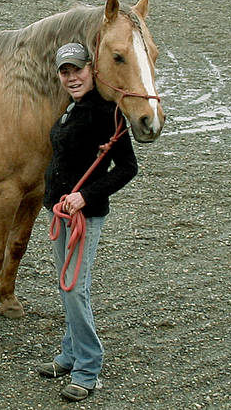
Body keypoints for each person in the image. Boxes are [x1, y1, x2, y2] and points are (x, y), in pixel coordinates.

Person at [33, 41, 139, 402]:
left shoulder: (107, 114)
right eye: (65, 71)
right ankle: (69, 353)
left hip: (83, 215)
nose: (71, 77)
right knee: (68, 286)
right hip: (59, 212)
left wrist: (86, 195)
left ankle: (88, 368)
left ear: (92, 70)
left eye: (77, 70)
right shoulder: (71, 109)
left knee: (74, 288)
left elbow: (128, 168)